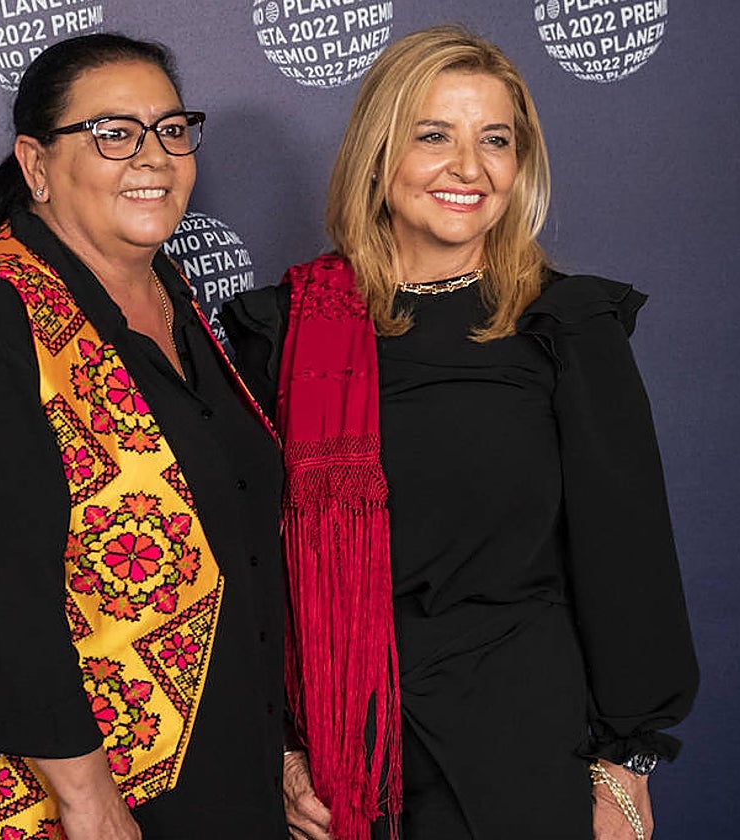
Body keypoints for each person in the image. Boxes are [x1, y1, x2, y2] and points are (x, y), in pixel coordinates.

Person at [223, 24, 699, 840]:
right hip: (343, 757)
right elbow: (247, 569)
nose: (469, 168)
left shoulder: (564, 325)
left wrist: (626, 761)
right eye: (434, 135)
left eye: (496, 141)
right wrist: (283, 752)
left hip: (518, 749)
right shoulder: (286, 331)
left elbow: (628, 553)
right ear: (379, 153)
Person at [0, 33, 287, 840]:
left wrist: (275, 752)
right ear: (36, 165)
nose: (153, 157)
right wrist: (87, 798)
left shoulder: (168, 296)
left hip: (198, 765)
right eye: (113, 133)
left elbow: (234, 538)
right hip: (38, 798)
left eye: (172, 130)